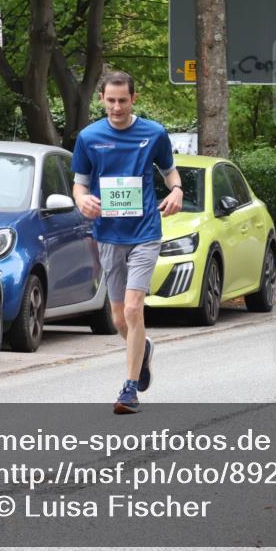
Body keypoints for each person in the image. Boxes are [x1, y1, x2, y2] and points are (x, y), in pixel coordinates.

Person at [72, 71, 183, 414]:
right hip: (108, 234)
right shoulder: (89, 137)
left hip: (145, 232)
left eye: (123, 100)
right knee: (120, 318)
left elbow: (170, 171)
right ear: (101, 99)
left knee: (135, 309)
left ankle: (129, 389)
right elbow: (79, 184)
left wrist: (176, 190)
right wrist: (82, 200)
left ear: (133, 99)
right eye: (111, 100)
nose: (117, 107)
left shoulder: (153, 133)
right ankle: (142, 348)